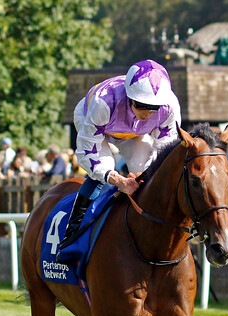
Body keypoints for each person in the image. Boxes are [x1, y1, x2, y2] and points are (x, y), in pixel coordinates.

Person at [58, 59, 181, 255]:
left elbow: (164, 152)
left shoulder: (169, 107)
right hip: (92, 121)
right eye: (141, 105)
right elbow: (88, 152)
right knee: (106, 164)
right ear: (130, 97)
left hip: (131, 133)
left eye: (153, 107)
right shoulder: (103, 103)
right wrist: (117, 180)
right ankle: (71, 234)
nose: (147, 113)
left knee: (147, 168)